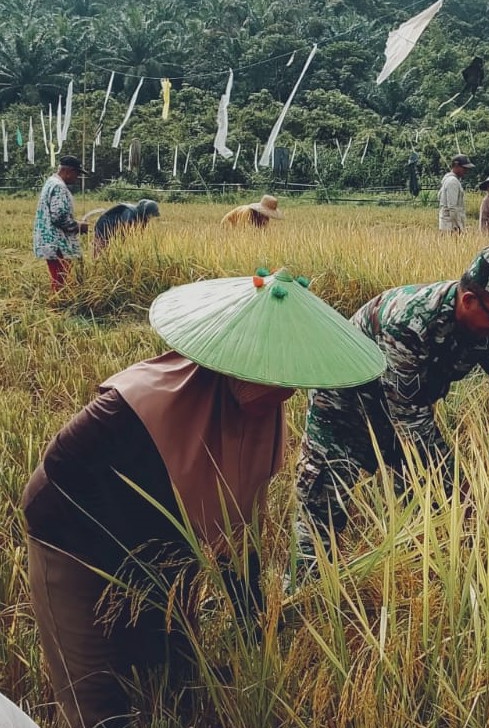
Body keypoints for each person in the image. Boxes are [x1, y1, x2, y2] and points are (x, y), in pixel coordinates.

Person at [21, 268, 385, 728]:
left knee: (177, 670)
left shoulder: (261, 411)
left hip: (161, 551)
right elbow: (62, 472)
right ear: (238, 365)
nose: (287, 392)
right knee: (98, 699)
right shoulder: (134, 407)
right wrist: (139, 568)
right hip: (74, 540)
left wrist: (252, 614)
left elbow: (239, 523)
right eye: (275, 379)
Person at [296, 247, 489, 558]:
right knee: (323, 508)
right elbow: (410, 420)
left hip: (406, 409)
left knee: (425, 508)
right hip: (343, 407)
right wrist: (457, 484)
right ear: (468, 302)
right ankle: (299, 592)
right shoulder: (410, 323)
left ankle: (409, 576)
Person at [33, 155, 88, 291]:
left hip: (49, 240)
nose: (77, 178)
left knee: (59, 278)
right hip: (57, 243)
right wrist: (78, 226)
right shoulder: (59, 187)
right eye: (76, 174)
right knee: (60, 279)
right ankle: (58, 306)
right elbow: (58, 216)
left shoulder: (51, 182)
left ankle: (58, 306)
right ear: (68, 171)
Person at [89, 198, 161, 254]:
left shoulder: (143, 219)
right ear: (145, 212)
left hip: (115, 229)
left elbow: (139, 234)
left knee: (114, 251)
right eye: (150, 215)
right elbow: (125, 230)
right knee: (101, 246)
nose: (150, 217)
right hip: (104, 225)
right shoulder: (129, 212)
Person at [438, 154, 474, 232]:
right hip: (450, 226)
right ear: (456, 166)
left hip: (447, 224)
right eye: (464, 168)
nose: (466, 171)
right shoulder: (452, 182)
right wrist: (457, 226)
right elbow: (452, 207)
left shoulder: (449, 180)